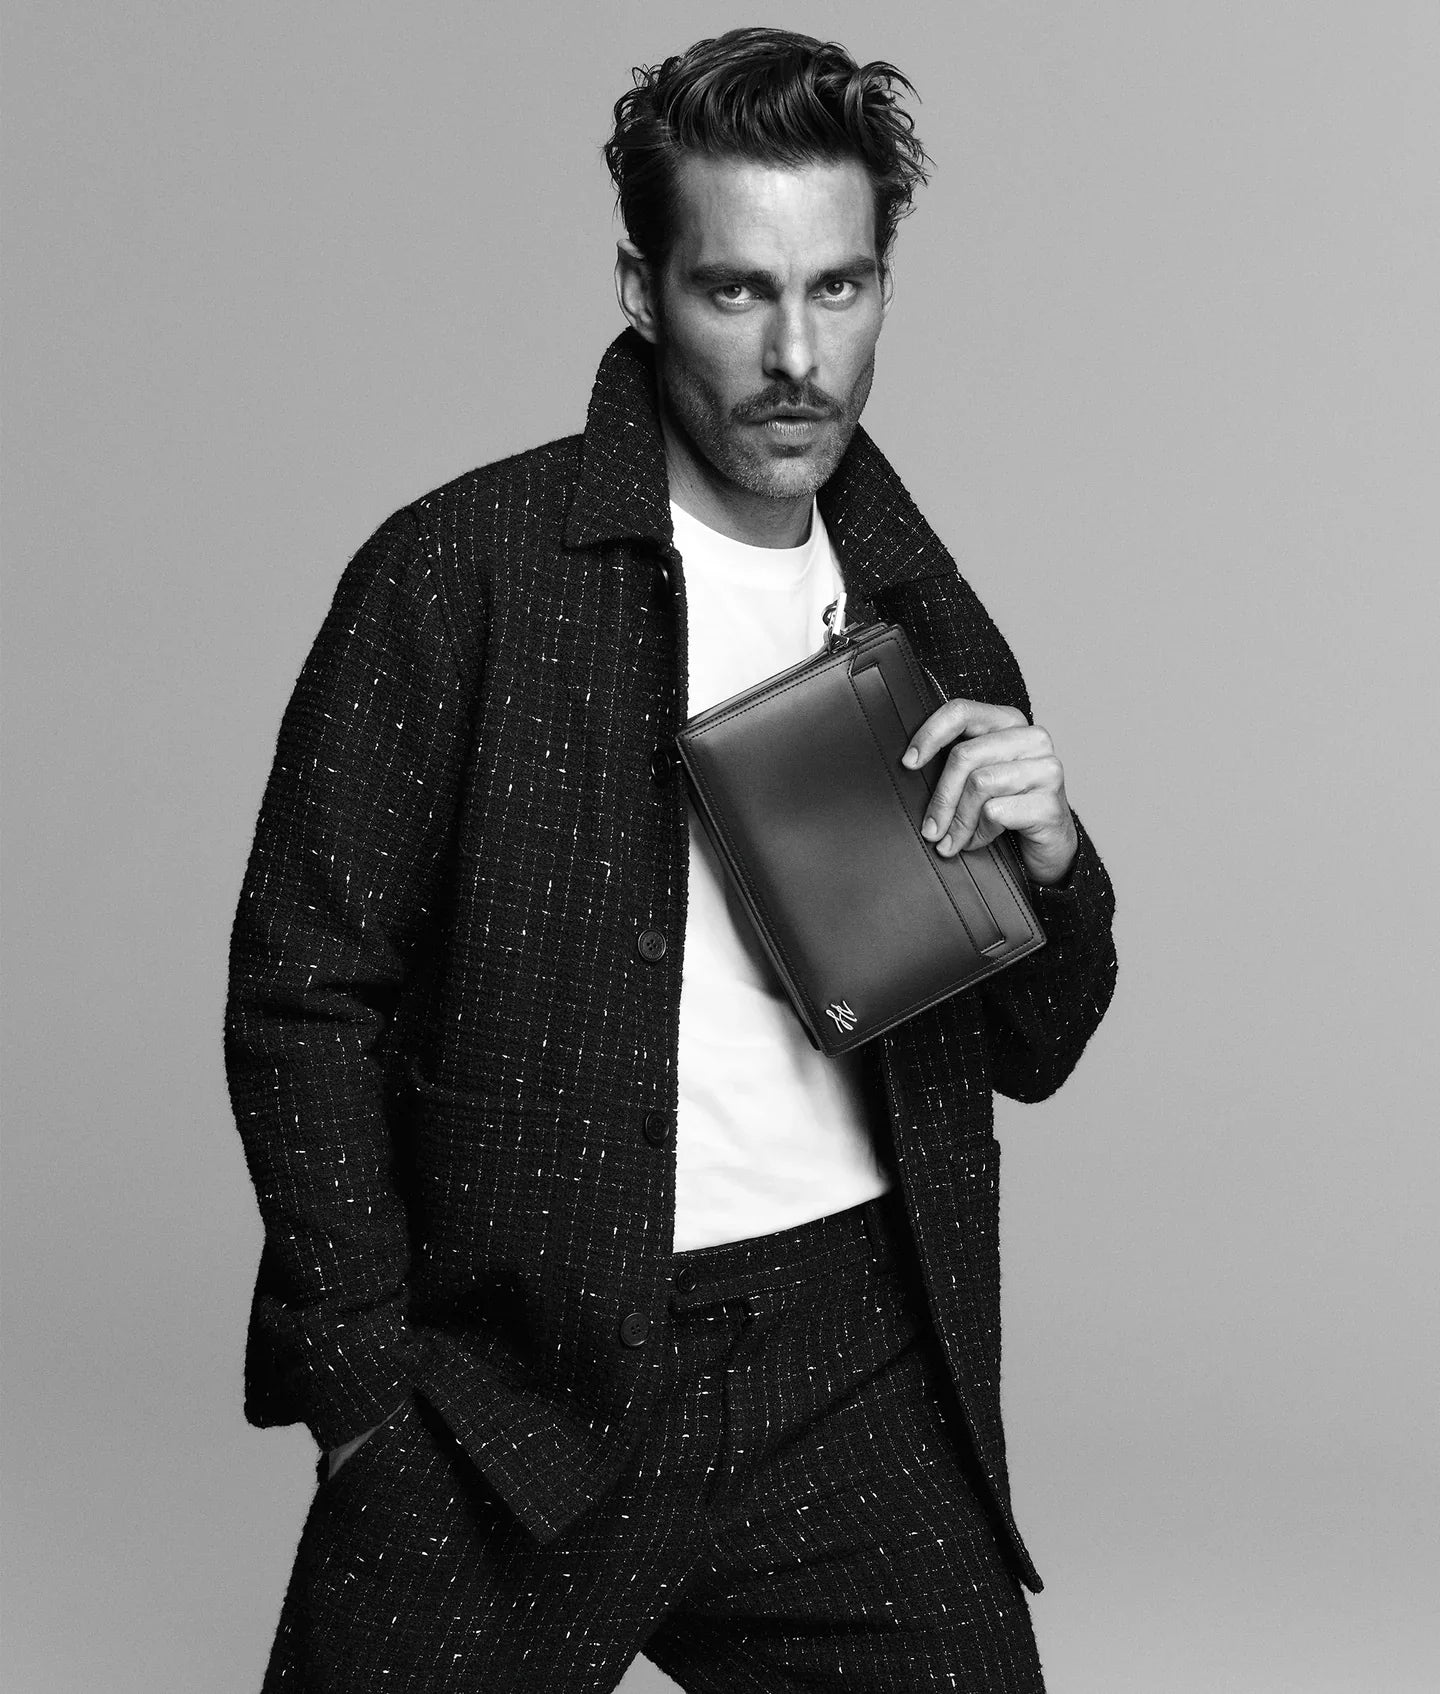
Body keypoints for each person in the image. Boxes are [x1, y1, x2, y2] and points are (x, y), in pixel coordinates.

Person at [226, 27, 1117, 1692]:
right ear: (643, 290)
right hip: (516, 1386)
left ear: (883, 287)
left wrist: (1052, 866)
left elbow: (1038, 1040)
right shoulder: (460, 571)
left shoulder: (912, 599)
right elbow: (301, 994)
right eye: (736, 291)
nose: (796, 355)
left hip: (852, 1368)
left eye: (838, 289)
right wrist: (362, 1397)